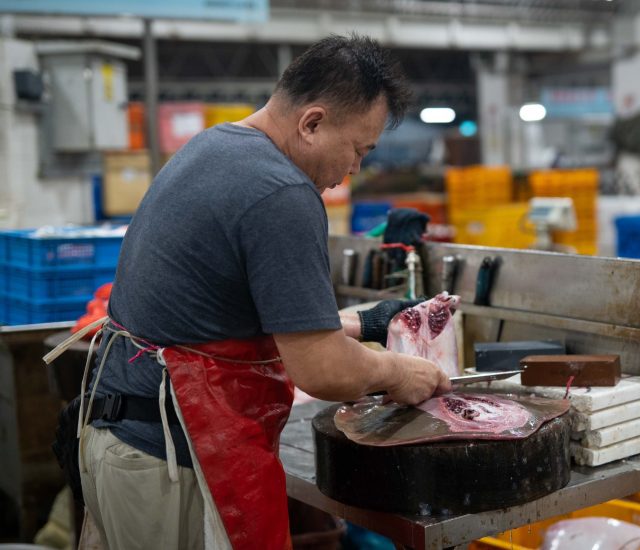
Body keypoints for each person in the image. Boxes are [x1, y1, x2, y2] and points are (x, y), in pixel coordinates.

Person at [72, 34, 451, 549]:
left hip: (125, 441)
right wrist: (401, 372)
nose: (353, 170)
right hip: (174, 463)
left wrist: (364, 323)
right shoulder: (282, 191)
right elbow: (325, 371)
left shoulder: (217, 145)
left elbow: (226, 315)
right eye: (358, 149)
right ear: (312, 122)